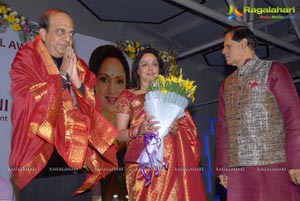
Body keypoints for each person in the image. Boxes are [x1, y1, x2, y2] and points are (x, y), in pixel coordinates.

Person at [9, 9, 119, 201]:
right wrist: (61, 78)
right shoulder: (27, 58)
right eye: (61, 31)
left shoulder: (79, 66)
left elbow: (94, 111)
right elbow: (27, 103)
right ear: (43, 33)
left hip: (77, 171)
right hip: (42, 170)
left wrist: (79, 87)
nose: (67, 38)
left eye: (71, 33)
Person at [216, 26, 300, 201]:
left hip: (273, 165)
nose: (223, 51)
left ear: (244, 43)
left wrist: (296, 161)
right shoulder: (226, 84)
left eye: (228, 46)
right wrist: (223, 167)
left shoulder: (274, 70)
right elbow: (223, 129)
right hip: (237, 170)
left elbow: (293, 117)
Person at [115, 47, 207, 201]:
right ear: (137, 70)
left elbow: (189, 133)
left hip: (170, 162)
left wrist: (177, 129)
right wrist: (139, 130)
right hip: (142, 165)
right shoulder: (128, 96)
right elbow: (119, 135)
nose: (150, 68)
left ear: (159, 68)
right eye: (145, 64)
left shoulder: (171, 95)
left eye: (154, 64)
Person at [89, 45, 130, 201]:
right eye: (104, 79)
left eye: (119, 81)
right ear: (93, 83)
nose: (112, 90)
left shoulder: (136, 138)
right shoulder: (79, 135)